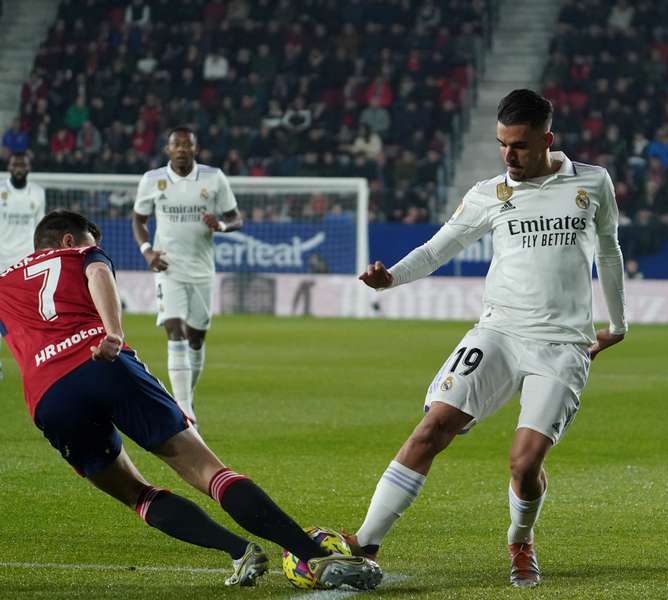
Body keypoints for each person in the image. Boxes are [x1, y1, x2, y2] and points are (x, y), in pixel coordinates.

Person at [0, 210, 382, 590]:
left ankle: (238, 551)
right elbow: (98, 273)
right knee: (208, 472)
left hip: (49, 396)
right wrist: (113, 332)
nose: (95, 248)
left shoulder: (4, 284)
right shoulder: (80, 256)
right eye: (90, 241)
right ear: (68, 241)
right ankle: (317, 557)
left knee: (137, 495)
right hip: (104, 362)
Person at [346, 89, 628, 588]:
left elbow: (609, 252)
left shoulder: (591, 183)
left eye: (519, 145)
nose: (509, 156)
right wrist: (391, 277)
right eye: (502, 144)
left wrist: (619, 323)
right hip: (498, 331)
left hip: (562, 344)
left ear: (547, 139)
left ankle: (520, 539)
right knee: (432, 428)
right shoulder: (488, 194)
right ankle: (364, 544)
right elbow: (439, 248)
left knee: (524, 463)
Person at [133, 125, 239, 425]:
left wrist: (220, 226)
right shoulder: (152, 180)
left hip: (202, 270)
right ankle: (182, 409)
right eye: (175, 144)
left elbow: (235, 218)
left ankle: (187, 399)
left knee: (196, 338)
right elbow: (139, 220)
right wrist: (147, 251)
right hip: (169, 267)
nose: (181, 149)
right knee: (174, 328)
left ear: (195, 148)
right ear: (168, 150)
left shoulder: (213, 177)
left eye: (186, 144)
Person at [0, 152, 45, 381]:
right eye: (15, 163)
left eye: (23, 164)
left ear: (29, 167)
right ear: (9, 166)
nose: (19, 167)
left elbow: (40, 229)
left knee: (27, 315)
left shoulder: (38, 193)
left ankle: (33, 359)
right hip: (1, 260)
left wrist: (40, 257)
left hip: (26, 262)